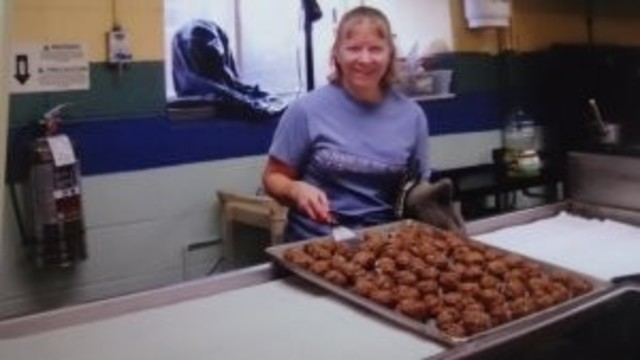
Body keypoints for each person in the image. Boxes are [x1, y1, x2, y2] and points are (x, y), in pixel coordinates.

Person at [262, 5, 430, 242]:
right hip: (314, 244)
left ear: (390, 54)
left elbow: (417, 187)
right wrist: (295, 189)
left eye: (375, 49)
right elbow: (272, 178)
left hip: (385, 246)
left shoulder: (413, 117)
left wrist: (432, 206)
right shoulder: (305, 111)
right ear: (337, 54)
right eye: (353, 49)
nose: (365, 59)